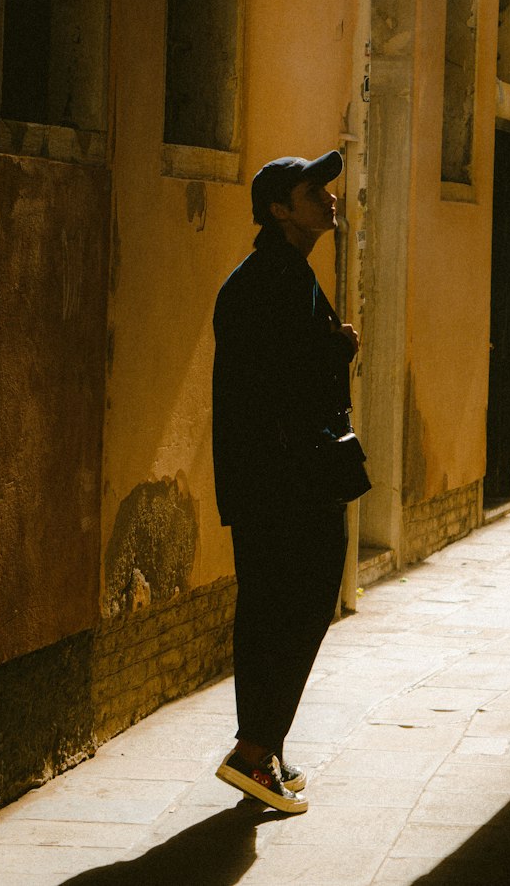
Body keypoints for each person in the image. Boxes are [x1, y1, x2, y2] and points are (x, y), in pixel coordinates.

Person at [212, 149, 363, 814]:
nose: (328, 198)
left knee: (279, 608)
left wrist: (332, 348)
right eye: (313, 191)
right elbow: (275, 387)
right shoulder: (269, 280)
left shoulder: (278, 273)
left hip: (275, 478)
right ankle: (253, 753)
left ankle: (264, 746)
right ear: (280, 210)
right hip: (286, 481)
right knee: (293, 608)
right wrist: (336, 351)